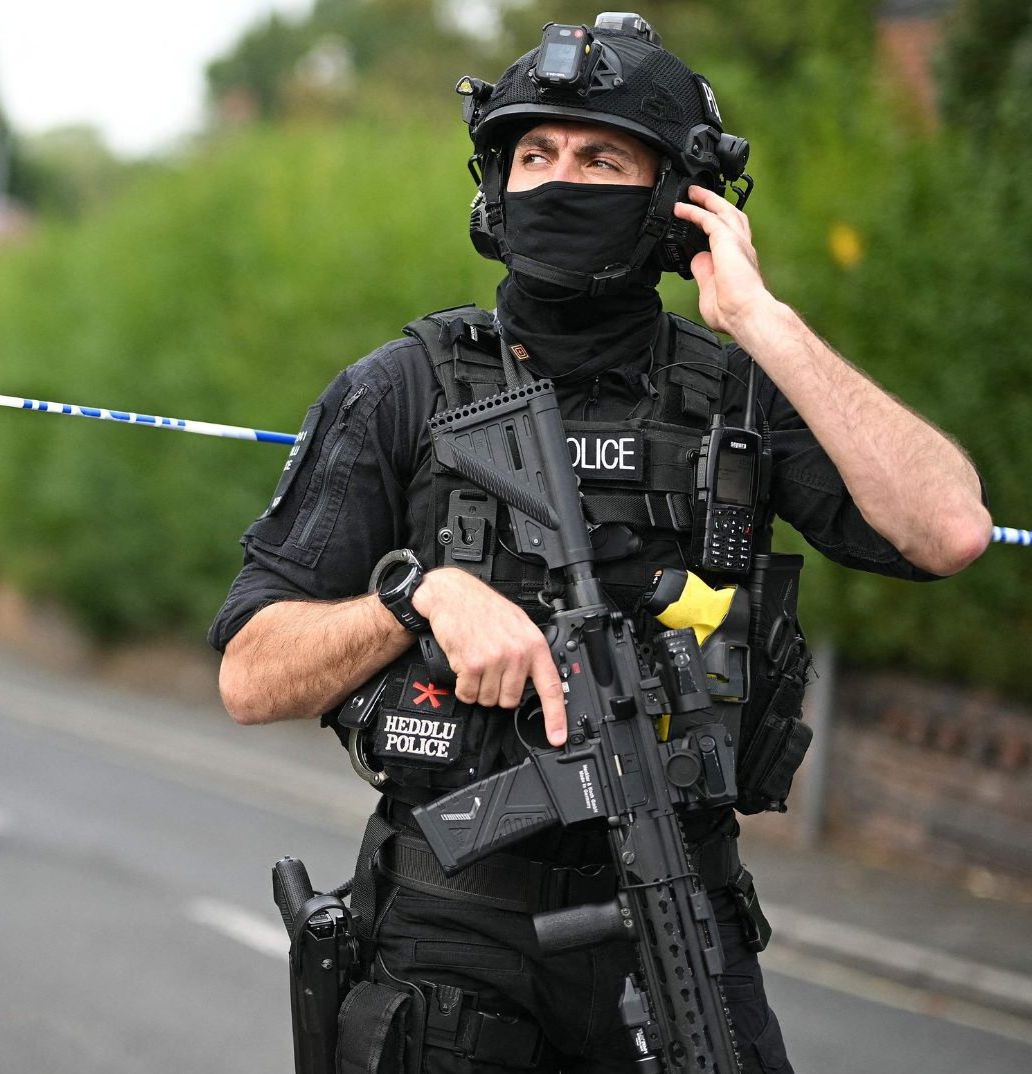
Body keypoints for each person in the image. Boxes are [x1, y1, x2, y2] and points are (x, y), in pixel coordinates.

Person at [209, 13, 990, 1074]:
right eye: (535, 153)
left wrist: (761, 320)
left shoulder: (739, 395)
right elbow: (251, 676)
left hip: (681, 920)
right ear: (495, 187)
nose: (560, 179)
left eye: (601, 159)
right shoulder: (402, 389)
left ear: (677, 200)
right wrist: (416, 597)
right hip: (450, 938)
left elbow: (947, 529)